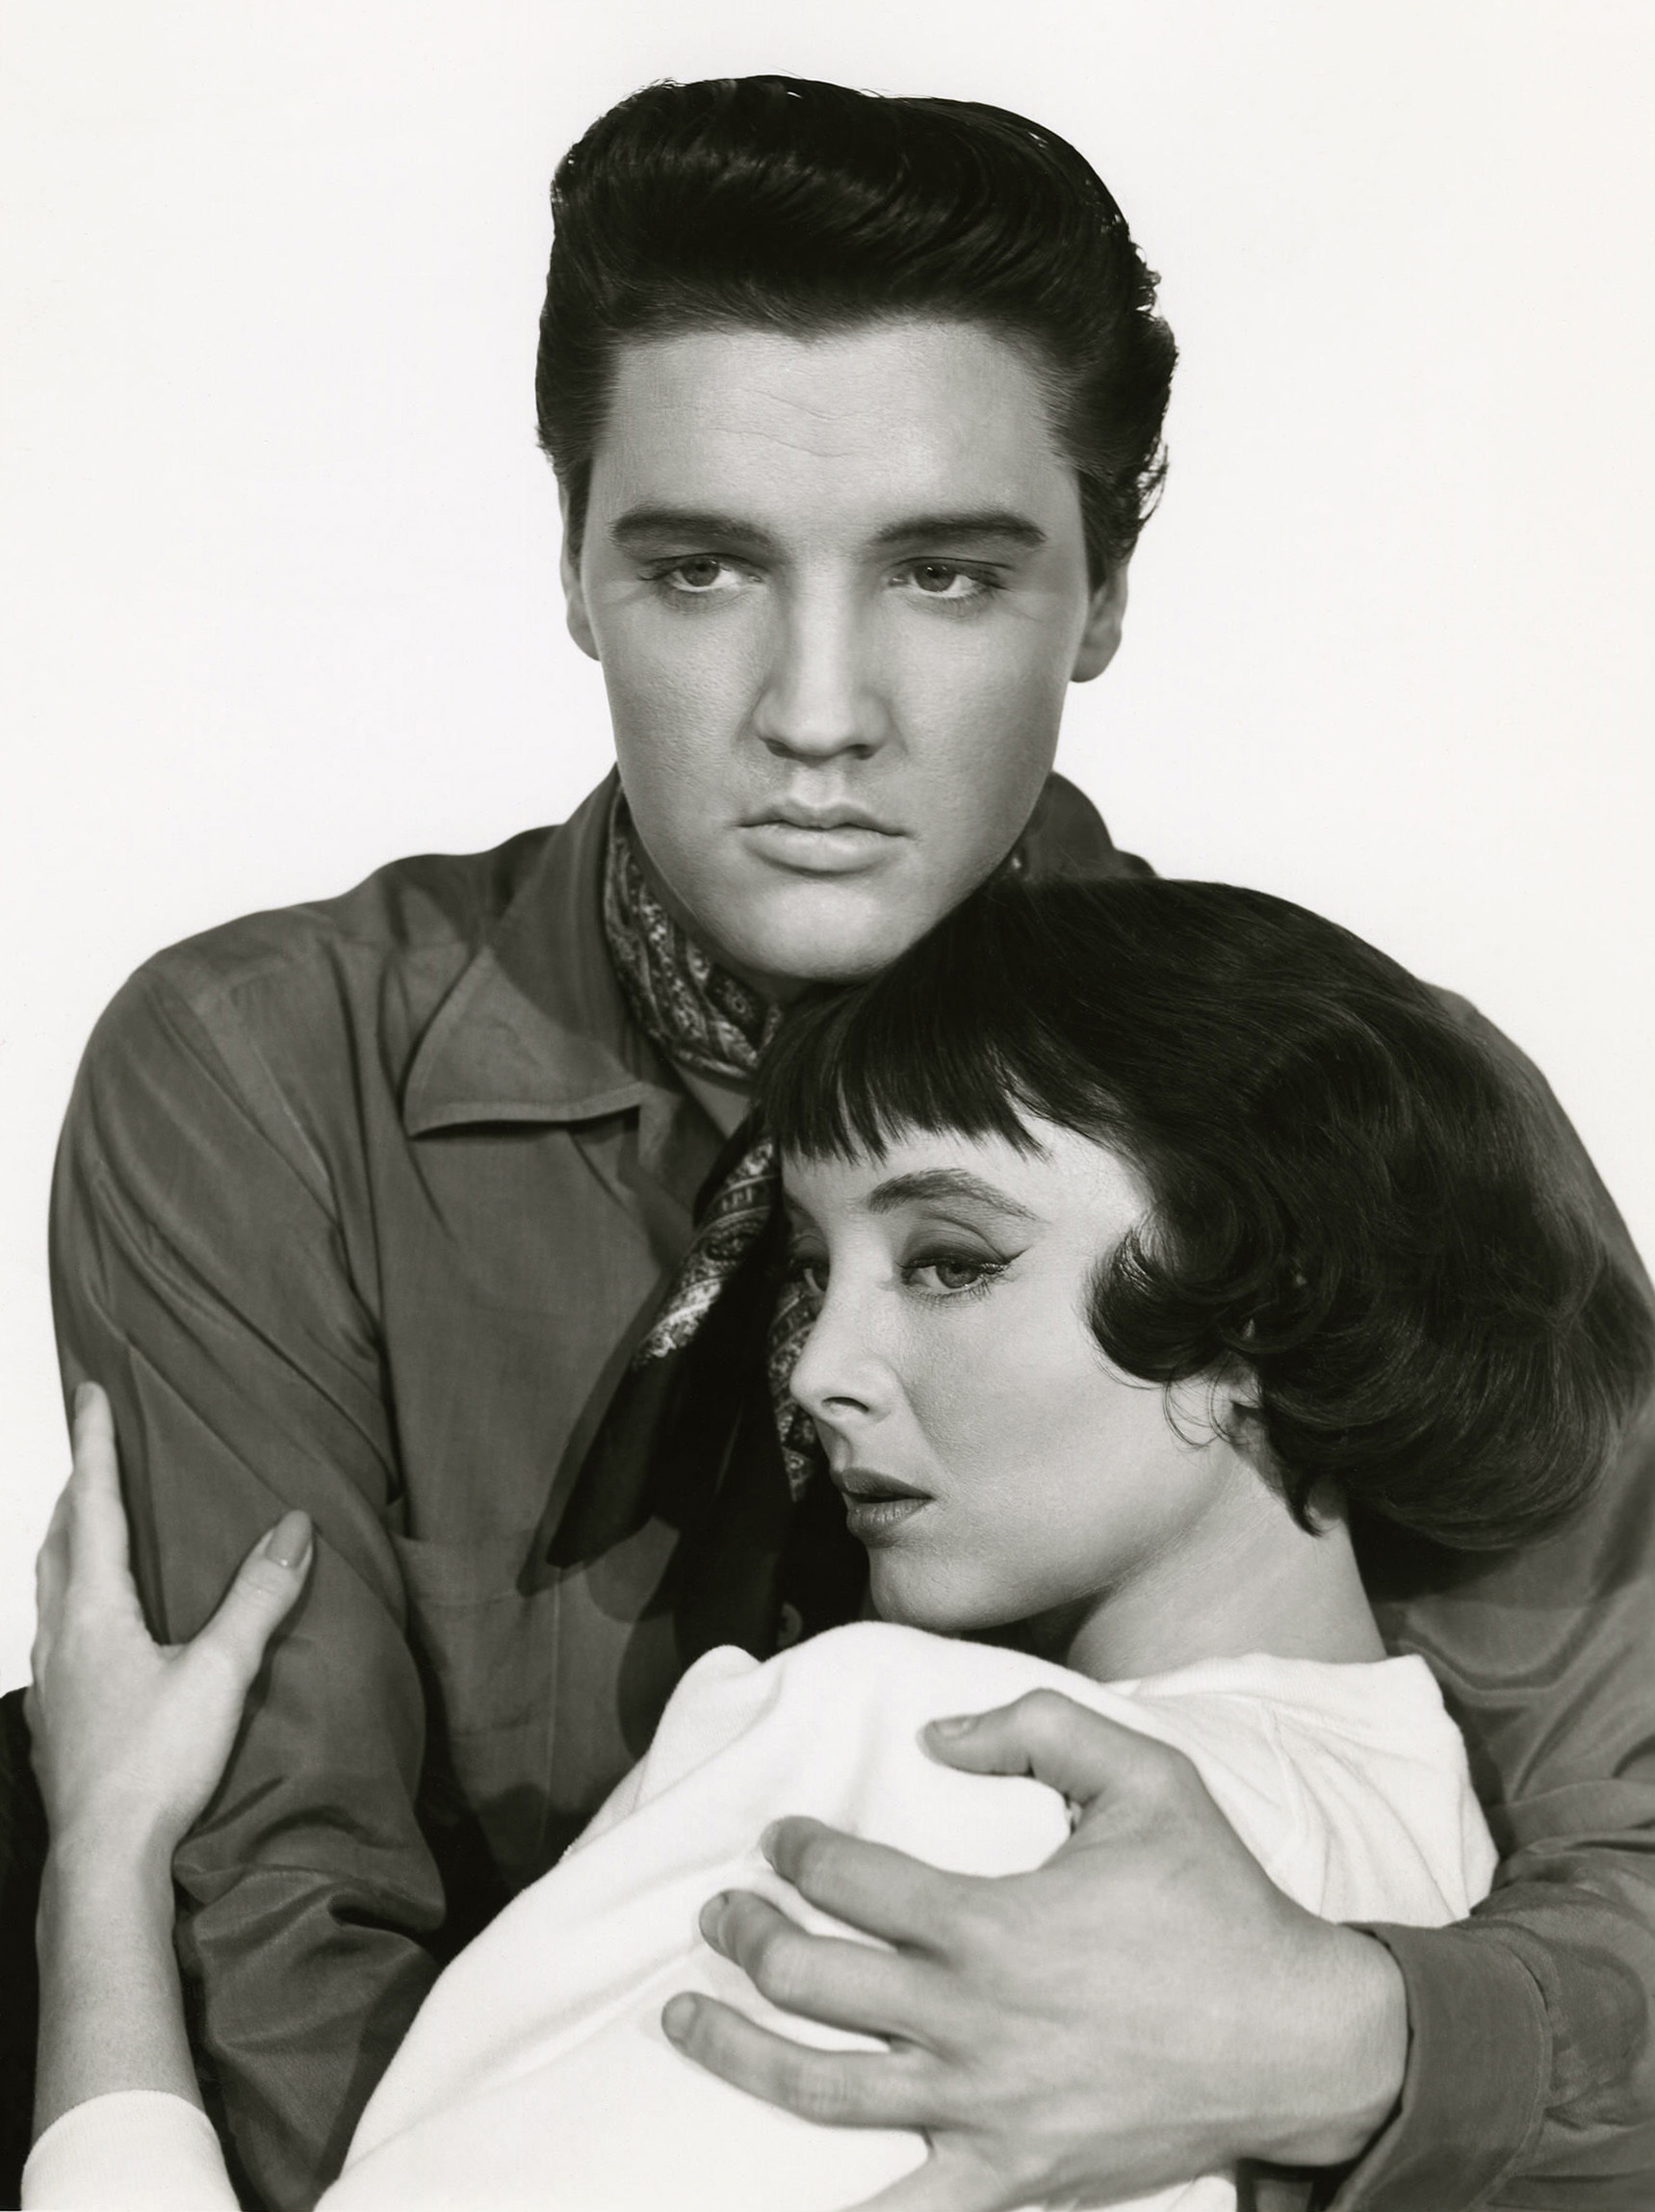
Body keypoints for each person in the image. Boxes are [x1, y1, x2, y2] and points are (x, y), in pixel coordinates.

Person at [9, 68, 1655, 2212]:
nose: (814, 713)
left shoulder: (1337, 1114)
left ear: (1103, 593)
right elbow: (276, 1908)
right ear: (574, 570)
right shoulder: (262, 1073)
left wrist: (1329, 2042)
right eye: (699, 568)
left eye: (946, 574)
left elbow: (1627, 1839)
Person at [25, 878, 1652, 2212]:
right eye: (815, 1268)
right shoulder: (1458, 1862)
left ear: (1261, 1309)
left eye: (949, 1261)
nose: (816, 1370)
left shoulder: (937, 1768)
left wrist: (100, 1861)